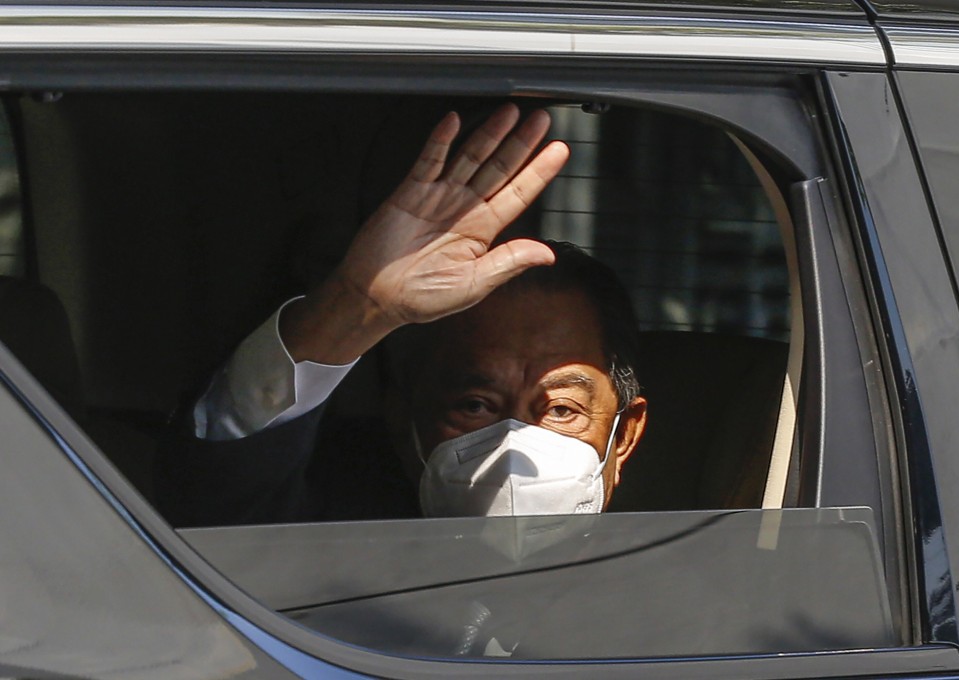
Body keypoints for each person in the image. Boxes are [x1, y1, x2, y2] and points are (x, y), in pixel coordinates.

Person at [155, 104, 648, 526]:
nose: (514, 451)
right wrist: (359, 305)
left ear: (623, 435)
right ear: (401, 419)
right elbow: (218, 506)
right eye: (475, 405)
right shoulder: (330, 553)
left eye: (561, 411)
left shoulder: (690, 607)